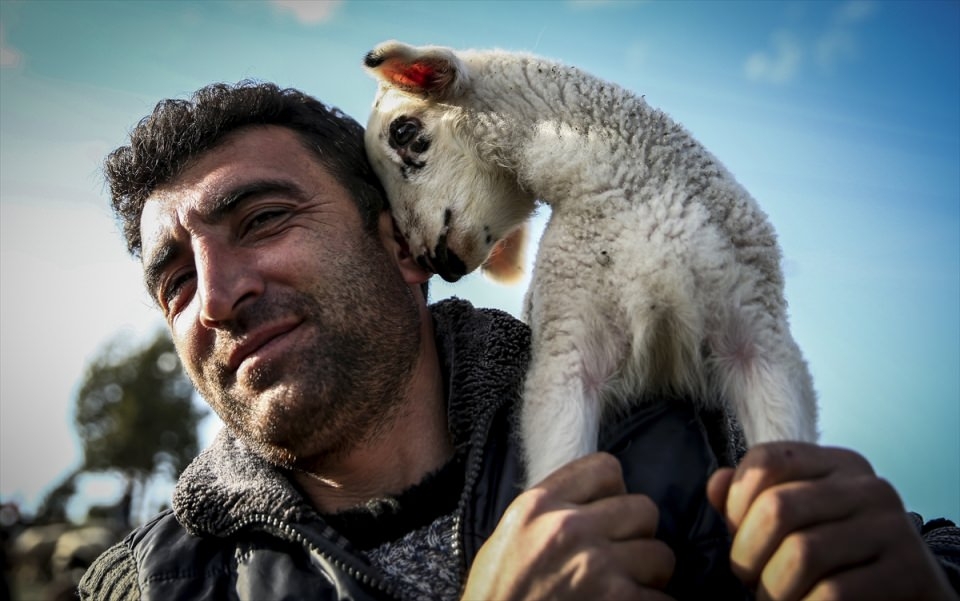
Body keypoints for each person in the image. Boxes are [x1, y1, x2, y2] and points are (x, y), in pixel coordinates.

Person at [79, 80, 959, 600]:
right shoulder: (147, 585)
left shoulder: (665, 431)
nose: (217, 296)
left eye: (263, 219)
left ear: (406, 242)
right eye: (176, 280)